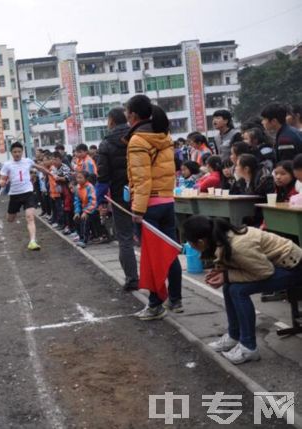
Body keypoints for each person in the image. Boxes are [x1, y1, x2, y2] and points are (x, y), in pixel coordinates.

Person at [182, 215, 302, 364]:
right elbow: (242, 264)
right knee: (229, 287)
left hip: (293, 268)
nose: (189, 246)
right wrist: (223, 273)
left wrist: (227, 276)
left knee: (238, 291)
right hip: (276, 264)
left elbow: (264, 272)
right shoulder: (221, 236)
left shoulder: (237, 245)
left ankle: (248, 348)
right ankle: (234, 336)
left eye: (190, 243)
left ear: (201, 241)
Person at [125, 94, 183, 320]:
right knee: (169, 253)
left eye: (127, 112)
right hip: (168, 201)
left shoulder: (138, 140)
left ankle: (155, 304)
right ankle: (176, 300)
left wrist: (138, 211)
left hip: (149, 205)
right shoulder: (164, 135)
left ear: (133, 115)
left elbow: (142, 180)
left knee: (151, 258)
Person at [96, 108, 138, 290]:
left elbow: (103, 176)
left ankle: (132, 279)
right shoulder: (138, 136)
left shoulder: (106, 143)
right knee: (150, 237)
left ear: (111, 121)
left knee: (125, 238)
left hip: (121, 195)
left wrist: (101, 200)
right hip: (144, 192)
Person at [0, 142, 51, 251]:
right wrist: (2, 182)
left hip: (27, 192)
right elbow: (2, 178)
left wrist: (51, 174)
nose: (17, 154)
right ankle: (13, 213)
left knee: (30, 217)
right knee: (10, 219)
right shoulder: (7, 164)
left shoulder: (28, 161)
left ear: (22, 152)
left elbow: (39, 168)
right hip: (14, 195)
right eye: (15, 152)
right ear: (11, 153)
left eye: (19, 152)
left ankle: (32, 241)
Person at [72, 171, 97, 248]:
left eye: (80, 178)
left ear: (86, 179)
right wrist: (77, 212)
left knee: (84, 220)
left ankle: (84, 240)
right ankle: (80, 236)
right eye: (77, 177)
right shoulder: (77, 188)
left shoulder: (90, 187)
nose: (78, 179)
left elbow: (92, 201)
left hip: (91, 209)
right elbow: (77, 201)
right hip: (83, 208)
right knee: (76, 218)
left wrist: (86, 212)